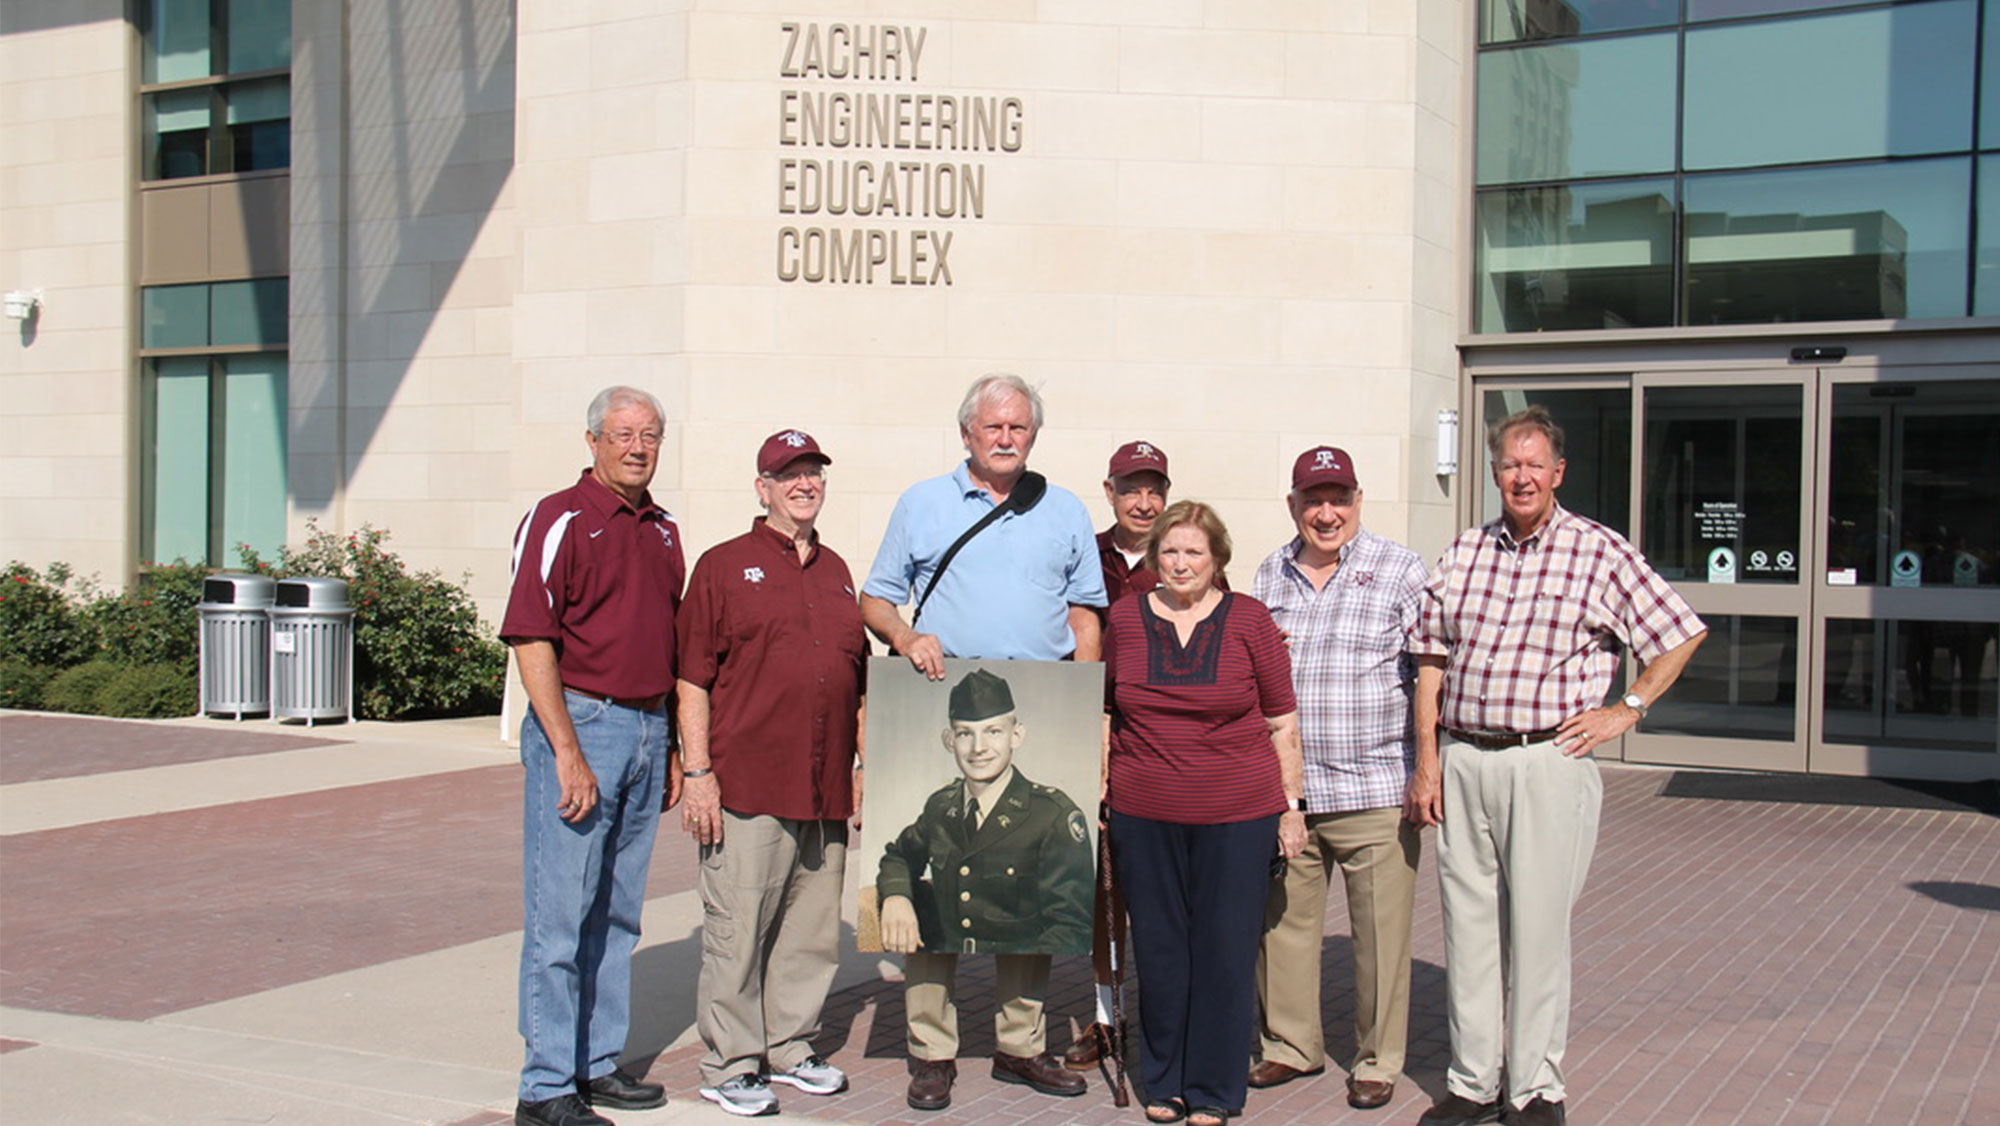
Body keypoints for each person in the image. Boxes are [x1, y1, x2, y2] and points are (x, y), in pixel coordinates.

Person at [1407, 406, 1706, 1126]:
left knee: (1538, 933)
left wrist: (1627, 707)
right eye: (1511, 464)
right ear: (1494, 472)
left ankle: (1536, 1087)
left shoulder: (1600, 551)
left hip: (1548, 759)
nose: (1522, 476)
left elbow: (1679, 632)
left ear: (1558, 473)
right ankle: (1474, 1082)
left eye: (1535, 464)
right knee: (1467, 930)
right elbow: (1430, 661)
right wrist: (1426, 761)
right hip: (1464, 760)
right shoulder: (1464, 552)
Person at [860, 373, 1107, 1111]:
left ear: (1034, 436)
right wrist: (905, 635)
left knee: (1028, 884)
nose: (1007, 439)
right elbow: (875, 597)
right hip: (943, 701)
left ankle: (1020, 1047)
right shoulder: (922, 503)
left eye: (1020, 428)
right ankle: (931, 1051)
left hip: (1038, 706)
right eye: (994, 427)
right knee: (937, 869)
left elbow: (1086, 615)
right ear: (967, 432)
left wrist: (1082, 706)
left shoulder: (1063, 510)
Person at [501, 386, 685, 1126]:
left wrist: (669, 744)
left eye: (649, 435)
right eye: (622, 434)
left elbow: (670, 643)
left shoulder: (665, 530)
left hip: (646, 730)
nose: (637, 447)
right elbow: (529, 638)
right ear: (592, 441)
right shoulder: (559, 519)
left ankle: (596, 1062)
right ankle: (545, 1087)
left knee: (617, 914)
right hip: (582, 725)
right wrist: (567, 751)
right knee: (559, 916)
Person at [675, 429, 867, 1118]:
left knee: (811, 931)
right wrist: (698, 771)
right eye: (789, 474)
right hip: (748, 784)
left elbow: (859, 680)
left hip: (823, 790)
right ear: (762, 487)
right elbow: (691, 677)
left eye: (813, 472)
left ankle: (790, 1047)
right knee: (738, 932)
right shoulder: (723, 567)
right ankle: (730, 1063)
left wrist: (863, 764)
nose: (804, 484)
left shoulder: (840, 570)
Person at [1103, 500, 1306, 1126]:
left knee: (1224, 949)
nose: (1181, 563)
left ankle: (1215, 1089)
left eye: (1194, 552)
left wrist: (1291, 809)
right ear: (1154, 558)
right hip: (1144, 812)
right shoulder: (1126, 620)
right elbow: (1106, 711)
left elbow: (1282, 721)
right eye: (1169, 551)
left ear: (1217, 558)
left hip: (1238, 815)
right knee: (1161, 951)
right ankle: (1164, 1081)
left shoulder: (1249, 620)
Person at [1249, 446, 1428, 1111]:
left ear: (1358, 501)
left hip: (1376, 787)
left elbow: (1428, 677)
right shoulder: (1270, 574)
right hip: (1290, 793)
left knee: (1380, 937)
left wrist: (1424, 769)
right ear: (1293, 504)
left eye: (1339, 499)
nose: (1327, 514)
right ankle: (1290, 1047)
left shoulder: (1401, 570)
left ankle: (1378, 1059)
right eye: (1314, 500)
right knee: (1284, 928)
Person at [1068, 438, 1174, 1073]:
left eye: (1154, 488)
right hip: (1092, 735)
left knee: (1157, 894)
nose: (1143, 501)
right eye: (1131, 488)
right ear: (1109, 493)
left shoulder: (1185, 556)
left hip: (1160, 744)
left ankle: (1165, 1018)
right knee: (1102, 900)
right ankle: (1108, 1021)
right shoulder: (1085, 554)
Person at [875, 668, 1094, 955]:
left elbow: (1072, 927)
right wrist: (896, 897)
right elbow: (899, 856)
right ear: (949, 740)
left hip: (1020, 966)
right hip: (947, 957)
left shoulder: (1052, 816)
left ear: (1016, 736)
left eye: (993, 732)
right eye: (965, 733)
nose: (978, 748)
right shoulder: (941, 807)